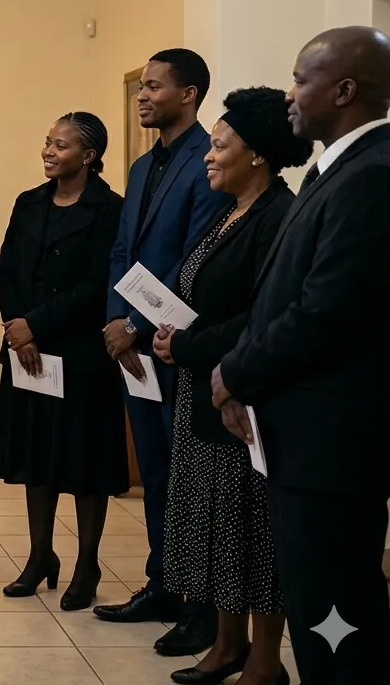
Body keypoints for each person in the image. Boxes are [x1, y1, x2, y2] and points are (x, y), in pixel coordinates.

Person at [213, 26, 390, 685]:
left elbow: (324, 312)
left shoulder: (372, 174)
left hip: (332, 444)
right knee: (321, 605)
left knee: (336, 616)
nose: (289, 94)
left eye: (300, 79)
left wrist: (235, 370)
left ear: (343, 90)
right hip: (303, 435)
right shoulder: (334, 168)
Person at [152, 87, 310, 685]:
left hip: (242, 396)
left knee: (252, 531)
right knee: (219, 528)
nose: (208, 157)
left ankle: (265, 662)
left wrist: (188, 345)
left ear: (258, 158)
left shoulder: (278, 216)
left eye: (219, 146)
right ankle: (226, 645)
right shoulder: (229, 210)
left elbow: (263, 312)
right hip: (202, 387)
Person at [96, 48, 231, 656]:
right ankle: (164, 584)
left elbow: (192, 261)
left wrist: (134, 322)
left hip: (176, 343)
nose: (142, 96)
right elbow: (124, 251)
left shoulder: (209, 161)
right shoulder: (141, 166)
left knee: (188, 478)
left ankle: (200, 604)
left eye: (154, 86)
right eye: (140, 87)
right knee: (153, 472)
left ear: (190, 94)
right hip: (133, 342)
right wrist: (113, 325)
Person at [0, 112, 128, 612]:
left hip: (81, 355)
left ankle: (87, 562)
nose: (49, 152)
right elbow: (5, 268)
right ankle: (39, 556)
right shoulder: (28, 203)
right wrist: (17, 327)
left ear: (88, 156)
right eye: (47, 142)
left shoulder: (109, 209)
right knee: (37, 458)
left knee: (84, 462)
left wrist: (38, 325)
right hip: (27, 352)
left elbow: (98, 284)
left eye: (62, 146)